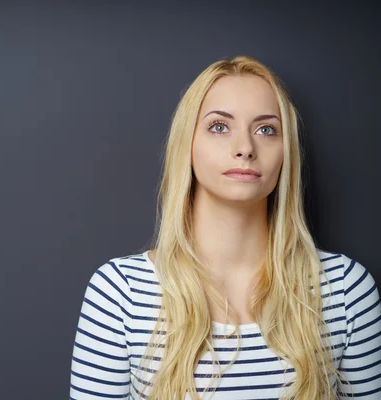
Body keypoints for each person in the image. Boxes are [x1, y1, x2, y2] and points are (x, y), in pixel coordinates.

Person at [69, 55, 381, 399]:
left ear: (285, 152)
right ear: (187, 145)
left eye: (267, 130)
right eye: (219, 127)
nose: (245, 148)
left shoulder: (346, 290)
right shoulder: (120, 293)